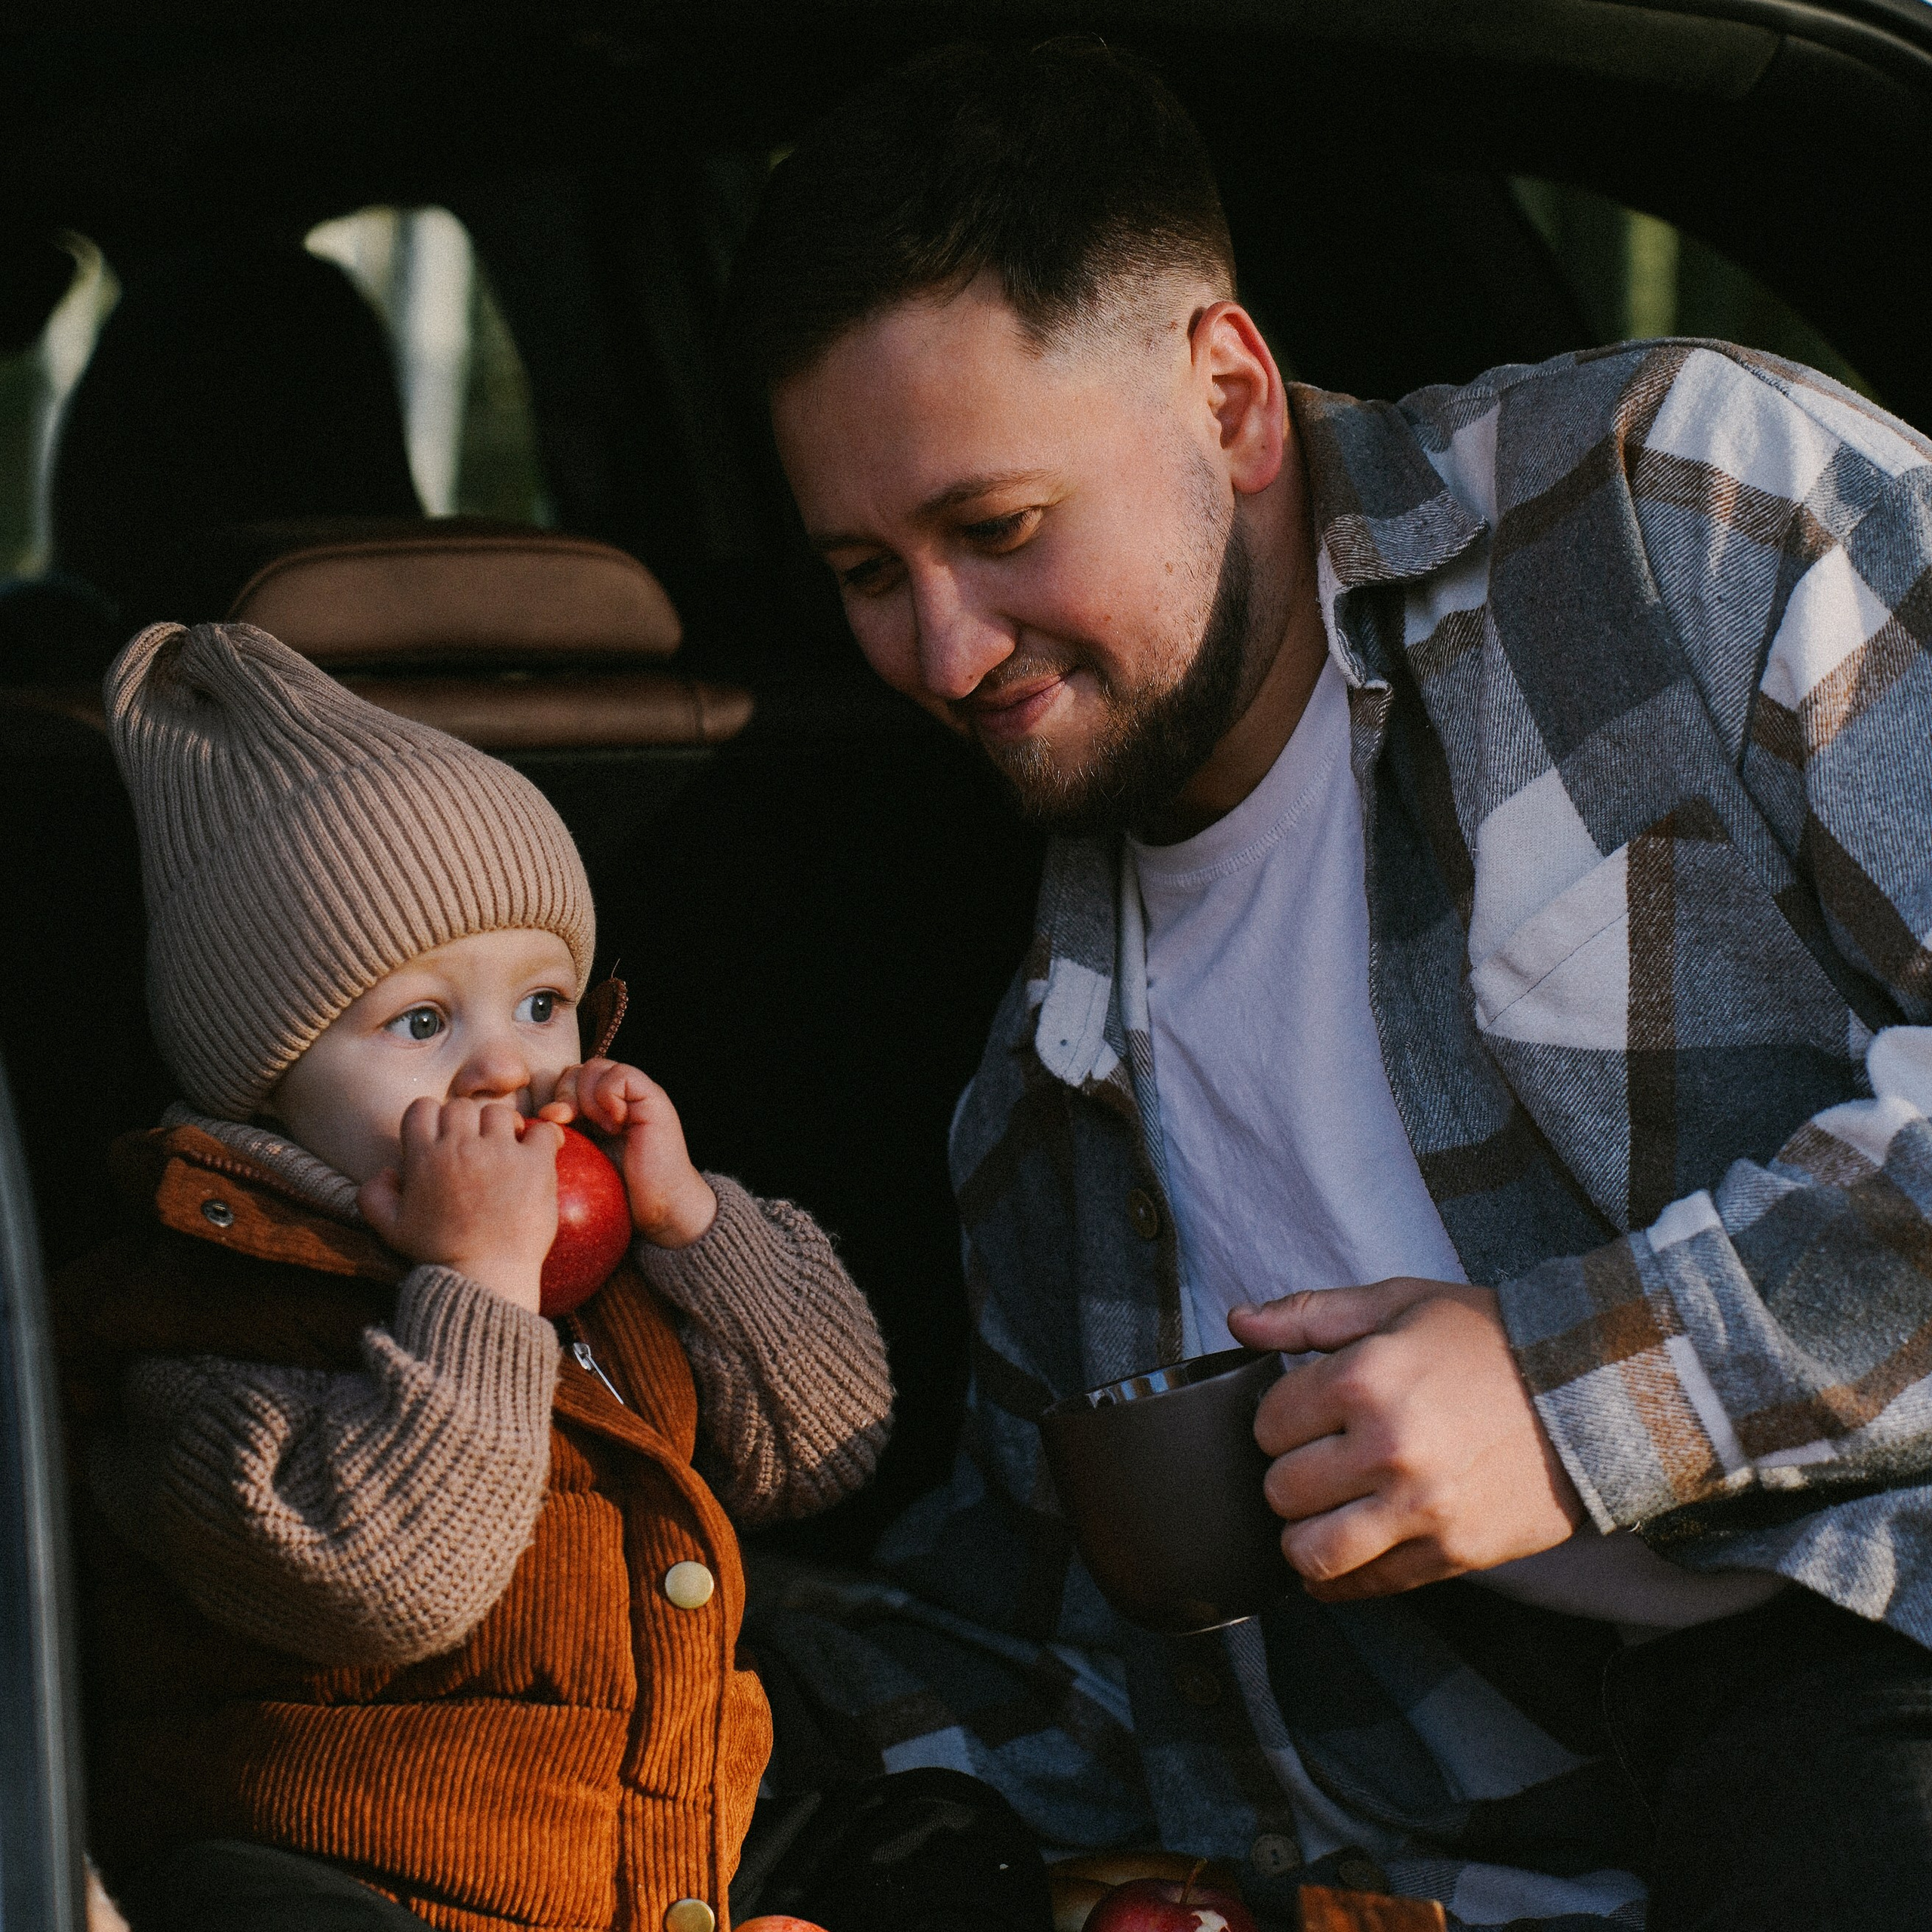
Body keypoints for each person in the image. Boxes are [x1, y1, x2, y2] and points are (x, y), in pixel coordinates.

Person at [727, 37, 1932, 1932]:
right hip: (1484, 1833)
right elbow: (1047, 1662)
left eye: (996, 529)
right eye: (866, 571)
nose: (941, 651)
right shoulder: (1041, 1096)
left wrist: (1561, 1402)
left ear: (1227, 397)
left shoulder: (1678, 511)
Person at [54, 619, 894, 1931]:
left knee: (941, 1847)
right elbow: (383, 1580)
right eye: (424, 1023)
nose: (506, 1065)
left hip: (655, 1850)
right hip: (353, 1868)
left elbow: (827, 1449)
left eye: (542, 1003)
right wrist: (482, 1288)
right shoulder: (191, 1324)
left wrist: (691, 1225)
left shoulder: (605, 1256)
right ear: (262, 1095)